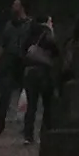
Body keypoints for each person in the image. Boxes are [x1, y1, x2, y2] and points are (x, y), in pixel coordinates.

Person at [0, 0, 31, 135]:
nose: (13, 7)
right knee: (5, 91)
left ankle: (27, 124)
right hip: (10, 59)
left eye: (16, 4)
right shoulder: (9, 25)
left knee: (27, 93)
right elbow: (3, 44)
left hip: (24, 59)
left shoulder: (29, 25)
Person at [20, 13, 60, 146]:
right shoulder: (47, 34)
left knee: (31, 105)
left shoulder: (30, 34)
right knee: (47, 104)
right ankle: (46, 132)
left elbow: (23, 50)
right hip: (43, 72)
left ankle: (28, 134)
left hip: (29, 72)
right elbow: (55, 51)